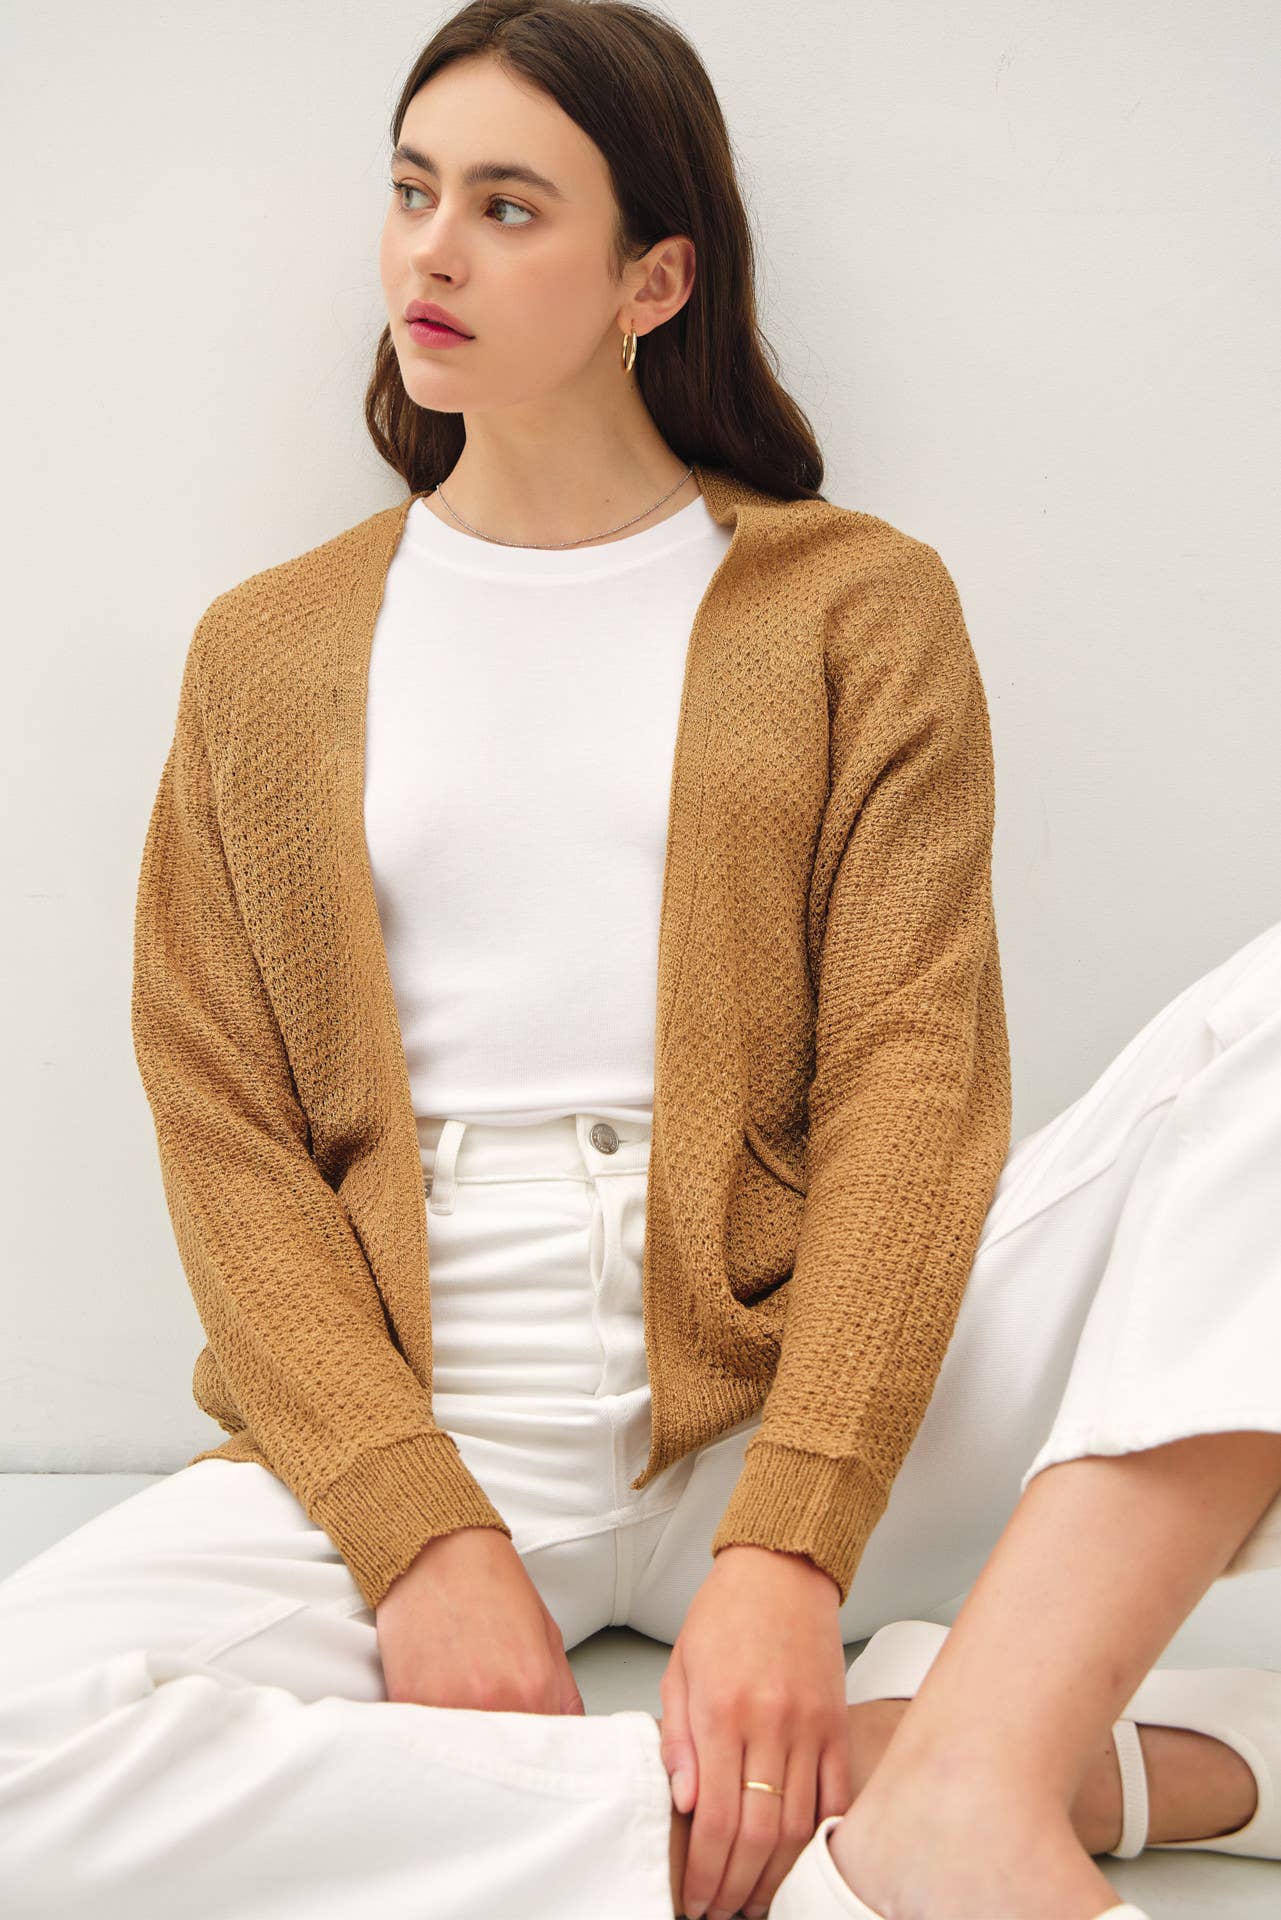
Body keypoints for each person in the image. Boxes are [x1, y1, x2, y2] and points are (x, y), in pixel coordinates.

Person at [2, 6, 1278, 1919]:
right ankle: (923, 1782)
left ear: (651, 281)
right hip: (430, 1391)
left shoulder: (852, 606)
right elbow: (225, 1131)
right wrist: (418, 1531)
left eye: (507, 207)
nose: (431, 250)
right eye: (414, 191)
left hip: (804, 1369)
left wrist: (795, 1535)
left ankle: (956, 1763)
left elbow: (913, 1084)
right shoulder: (265, 655)